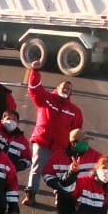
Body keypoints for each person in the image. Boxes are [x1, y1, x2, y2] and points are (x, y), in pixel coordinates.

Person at [24, 59, 83, 205]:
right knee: (36, 169)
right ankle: (31, 195)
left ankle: (60, 196)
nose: (66, 89)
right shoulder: (46, 99)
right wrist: (35, 71)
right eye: (64, 86)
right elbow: (34, 88)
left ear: (71, 93)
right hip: (42, 142)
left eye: (69, 89)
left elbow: (76, 131)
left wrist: (74, 148)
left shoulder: (75, 111)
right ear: (57, 87)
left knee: (60, 173)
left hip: (60, 148)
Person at [0, 109, 32, 173]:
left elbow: (28, 159)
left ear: (17, 123)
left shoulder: (22, 141)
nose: (10, 121)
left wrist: (16, 166)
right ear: (2, 121)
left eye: (14, 119)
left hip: (7, 175)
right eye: (8, 119)